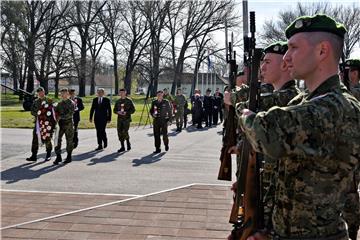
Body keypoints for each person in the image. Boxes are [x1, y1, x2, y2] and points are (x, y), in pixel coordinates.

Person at [240, 14, 360, 240]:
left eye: (294, 48)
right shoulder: (304, 102)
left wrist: (243, 111)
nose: (286, 57)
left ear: (322, 51)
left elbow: (265, 132)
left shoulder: (337, 107)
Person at [342, 58, 360, 240]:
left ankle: (352, 230)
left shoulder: (354, 93)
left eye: (346, 71)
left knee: (350, 193)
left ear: (354, 73)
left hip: (353, 153)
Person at [26, 87, 56, 162]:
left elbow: (54, 111)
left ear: (44, 92)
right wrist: (38, 114)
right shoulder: (36, 101)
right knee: (35, 138)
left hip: (47, 123)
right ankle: (34, 155)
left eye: (41, 92)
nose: (40, 93)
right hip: (38, 123)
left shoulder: (49, 100)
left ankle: (48, 154)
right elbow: (32, 111)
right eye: (39, 92)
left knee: (47, 138)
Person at [54, 88, 75, 165]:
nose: (62, 95)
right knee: (57, 140)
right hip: (60, 125)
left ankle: (69, 156)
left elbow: (70, 114)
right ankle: (58, 156)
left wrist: (60, 117)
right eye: (61, 94)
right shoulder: (59, 104)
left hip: (68, 124)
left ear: (68, 94)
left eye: (64, 93)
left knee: (69, 140)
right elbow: (55, 113)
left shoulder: (71, 103)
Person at [113, 88, 135, 152]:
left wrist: (127, 112)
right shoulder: (118, 101)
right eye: (120, 93)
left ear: (125, 93)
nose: (121, 94)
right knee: (119, 132)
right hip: (119, 119)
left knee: (125, 132)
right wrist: (118, 112)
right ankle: (122, 146)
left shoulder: (129, 101)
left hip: (126, 119)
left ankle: (128, 142)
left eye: (123, 92)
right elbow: (114, 110)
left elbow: (133, 110)